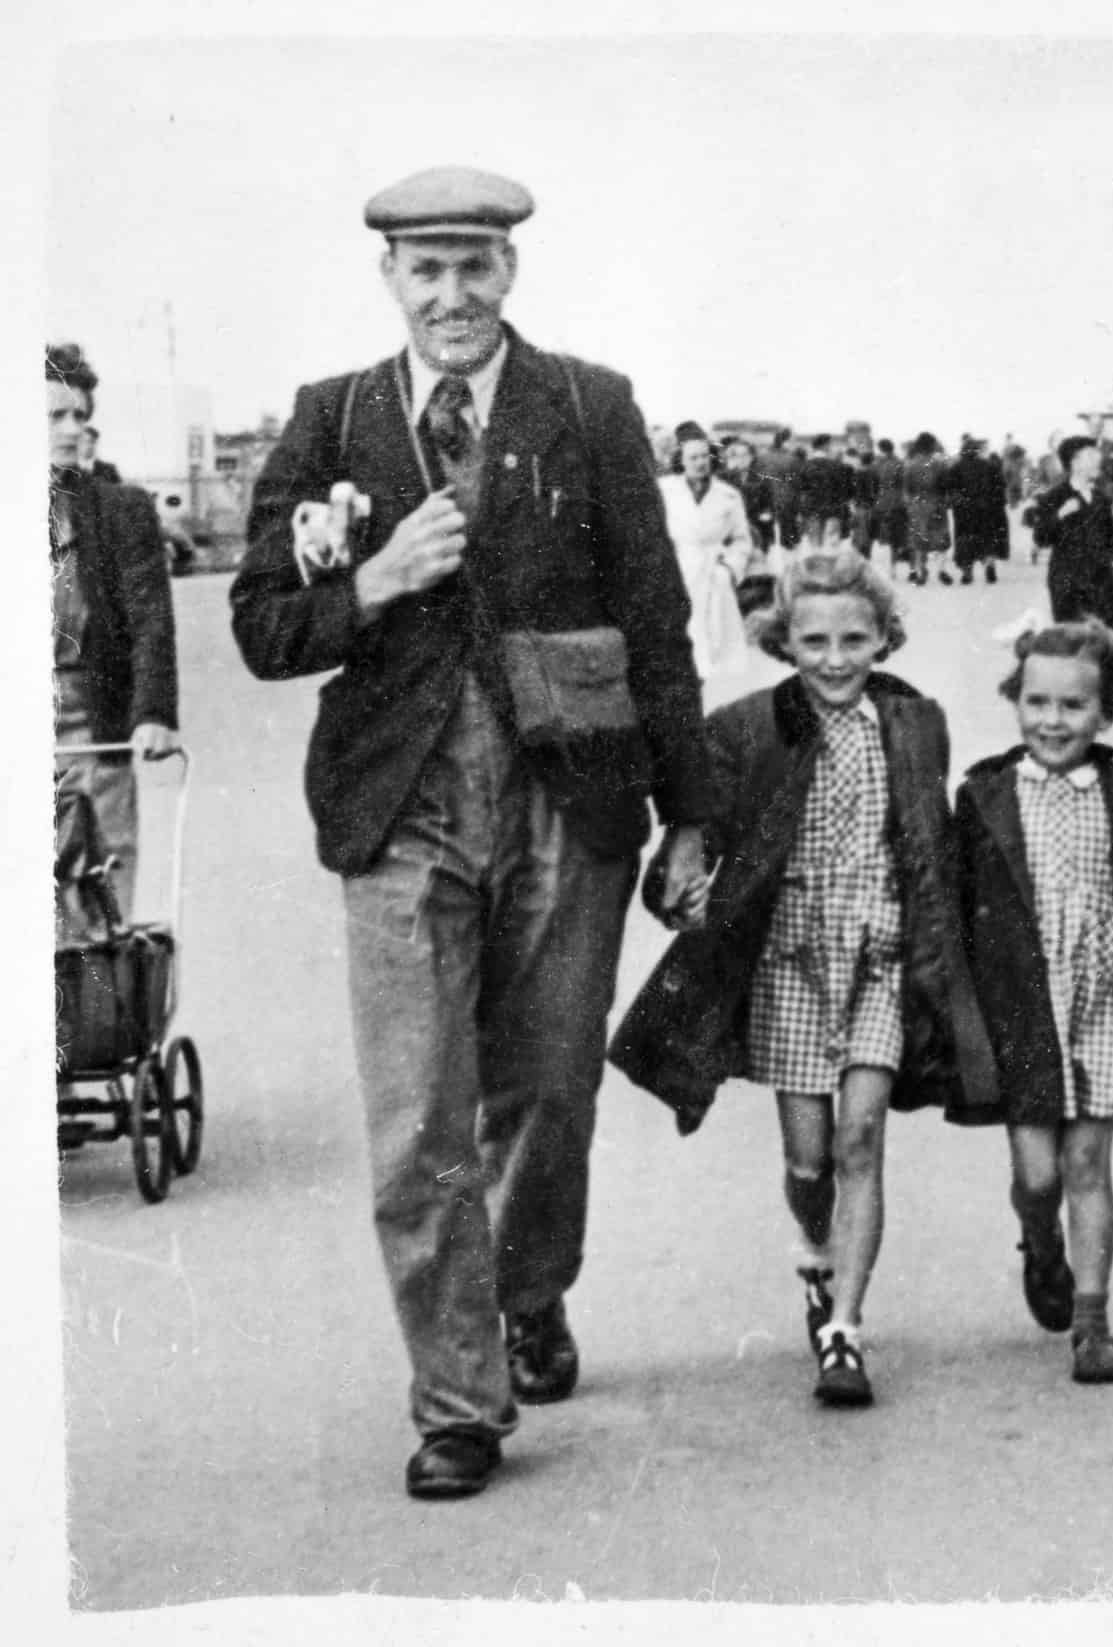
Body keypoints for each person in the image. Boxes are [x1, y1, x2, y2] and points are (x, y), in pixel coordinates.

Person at [229, 166, 716, 1499]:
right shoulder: (332, 419)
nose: (453, 295)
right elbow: (265, 626)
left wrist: (691, 813)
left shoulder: (587, 405)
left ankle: (528, 1284)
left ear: (511, 272)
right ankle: (456, 1395)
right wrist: (375, 580)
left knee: (549, 1088)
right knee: (416, 1116)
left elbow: (660, 621)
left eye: (476, 266)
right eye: (427, 269)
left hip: (573, 795)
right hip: (401, 809)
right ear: (389, 278)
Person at [607, 549, 996, 1408]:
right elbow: (690, 837)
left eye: (855, 638)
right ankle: (816, 1256)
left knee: (862, 1138)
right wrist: (683, 885)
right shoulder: (746, 726)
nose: (834, 657)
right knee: (809, 1158)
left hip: (881, 956)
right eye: (814, 639)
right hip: (786, 958)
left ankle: (844, 1329)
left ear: (883, 638)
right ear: (784, 639)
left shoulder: (916, 721)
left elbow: (930, 842)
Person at [955, 619, 1113, 1385]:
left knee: (1089, 1160)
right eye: (1036, 701)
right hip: (1024, 1007)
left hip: (1106, 999)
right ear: (1015, 700)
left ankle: (1093, 1326)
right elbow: (963, 905)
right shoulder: (984, 792)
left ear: (1105, 713)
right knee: (1039, 1173)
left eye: (1073, 705)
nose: (1052, 721)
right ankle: (1040, 1242)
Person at [49, 342, 181, 917]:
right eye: (55, 416)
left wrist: (153, 713)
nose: (73, 428)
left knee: (102, 895)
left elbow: (150, 617)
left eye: (81, 415)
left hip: (93, 727)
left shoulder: (120, 509)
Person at [659, 424, 753, 680]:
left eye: (705, 456)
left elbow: (742, 540)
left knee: (720, 658)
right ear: (680, 460)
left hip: (715, 576)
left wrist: (730, 570)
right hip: (677, 571)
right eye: (694, 457)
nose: (701, 463)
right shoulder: (664, 491)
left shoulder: (729, 496)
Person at [1030, 434, 1113, 630]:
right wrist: (1060, 514)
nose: (1098, 459)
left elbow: (1111, 542)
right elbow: (1040, 537)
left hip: (1102, 583)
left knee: (1106, 640)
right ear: (1075, 462)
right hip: (1068, 584)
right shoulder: (1055, 497)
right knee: (1072, 643)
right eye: (1091, 455)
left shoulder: (1102, 498)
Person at [947, 435, 1009, 584]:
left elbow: (950, 489)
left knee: (965, 541)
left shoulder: (956, 468)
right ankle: (989, 565)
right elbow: (1001, 487)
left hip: (964, 511)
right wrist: (998, 505)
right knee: (987, 540)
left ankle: (967, 572)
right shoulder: (990, 466)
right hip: (987, 510)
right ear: (977, 451)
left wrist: (957, 503)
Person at [902, 431, 949, 586]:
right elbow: (944, 487)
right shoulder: (939, 464)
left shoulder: (910, 464)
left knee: (919, 540)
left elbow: (907, 489)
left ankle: (921, 570)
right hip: (936, 504)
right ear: (931, 446)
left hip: (917, 506)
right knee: (941, 539)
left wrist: (910, 505)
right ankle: (942, 570)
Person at [721, 435, 778, 553]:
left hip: (757, 532)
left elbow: (769, 506)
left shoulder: (762, 479)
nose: (741, 459)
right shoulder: (724, 480)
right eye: (736, 455)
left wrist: (766, 516)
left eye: (744, 455)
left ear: (751, 457)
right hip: (731, 536)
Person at [797, 433, 856, 545]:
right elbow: (848, 491)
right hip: (833, 512)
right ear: (825, 446)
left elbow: (800, 490)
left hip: (812, 512)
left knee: (814, 545)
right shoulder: (839, 466)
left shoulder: (805, 466)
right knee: (831, 547)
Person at [868, 437, 908, 569]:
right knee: (896, 537)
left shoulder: (877, 464)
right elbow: (903, 484)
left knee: (876, 533)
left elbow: (873, 484)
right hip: (897, 503)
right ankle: (893, 565)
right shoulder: (899, 463)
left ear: (881, 449)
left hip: (881, 503)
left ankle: (871, 563)